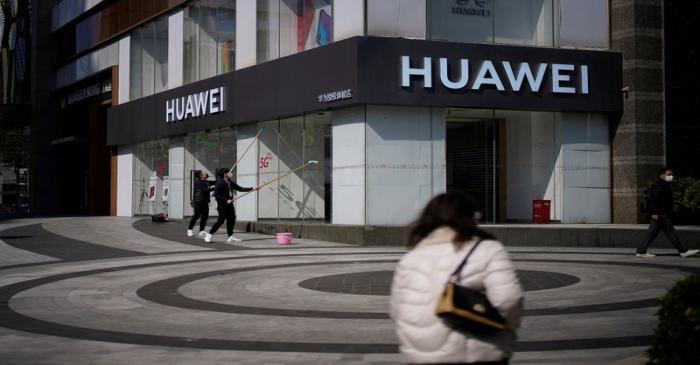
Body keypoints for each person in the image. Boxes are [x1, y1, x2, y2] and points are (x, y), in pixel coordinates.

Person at [389, 193, 523, 365]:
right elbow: (509, 299)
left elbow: (396, 311)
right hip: (479, 354)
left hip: (421, 357)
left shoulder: (410, 258)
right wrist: (502, 330)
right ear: (470, 217)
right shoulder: (488, 249)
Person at [636, 167, 699, 258]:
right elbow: (654, 200)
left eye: (671, 174)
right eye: (669, 174)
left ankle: (641, 251)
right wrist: (654, 213)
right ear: (662, 175)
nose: (671, 176)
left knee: (653, 233)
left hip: (661, 213)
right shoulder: (659, 185)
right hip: (661, 213)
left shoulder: (664, 184)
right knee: (671, 232)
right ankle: (683, 251)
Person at [204, 168, 258, 243]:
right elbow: (216, 195)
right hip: (222, 206)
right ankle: (209, 234)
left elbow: (240, 188)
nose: (230, 173)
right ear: (224, 174)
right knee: (221, 221)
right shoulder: (220, 183)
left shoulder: (230, 182)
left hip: (230, 205)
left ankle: (230, 236)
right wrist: (226, 200)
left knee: (231, 220)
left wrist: (253, 188)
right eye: (228, 172)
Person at [187, 170, 215, 238]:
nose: (205, 173)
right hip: (198, 201)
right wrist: (215, 188)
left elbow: (216, 182)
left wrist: (221, 180)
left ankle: (201, 230)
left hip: (205, 201)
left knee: (205, 216)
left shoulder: (207, 182)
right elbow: (205, 190)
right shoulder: (198, 182)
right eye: (203, 173)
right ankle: (190, 229)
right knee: (196, 215)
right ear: (201, 175)